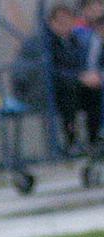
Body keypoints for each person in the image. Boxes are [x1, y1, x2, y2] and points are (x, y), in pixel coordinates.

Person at [15, 4, 101, 154]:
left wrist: (87, 77)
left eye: (68, 21)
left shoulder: (73, 40)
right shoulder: (41, 42)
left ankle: (93, 139)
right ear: (51, 22)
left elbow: (78, 66)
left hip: (67, 87)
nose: (65, 25)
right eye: (61, 21)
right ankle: (71, 141)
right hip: (40, 90)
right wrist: (78, 78)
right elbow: (45, 71)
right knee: (70, 89)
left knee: (94, 90)